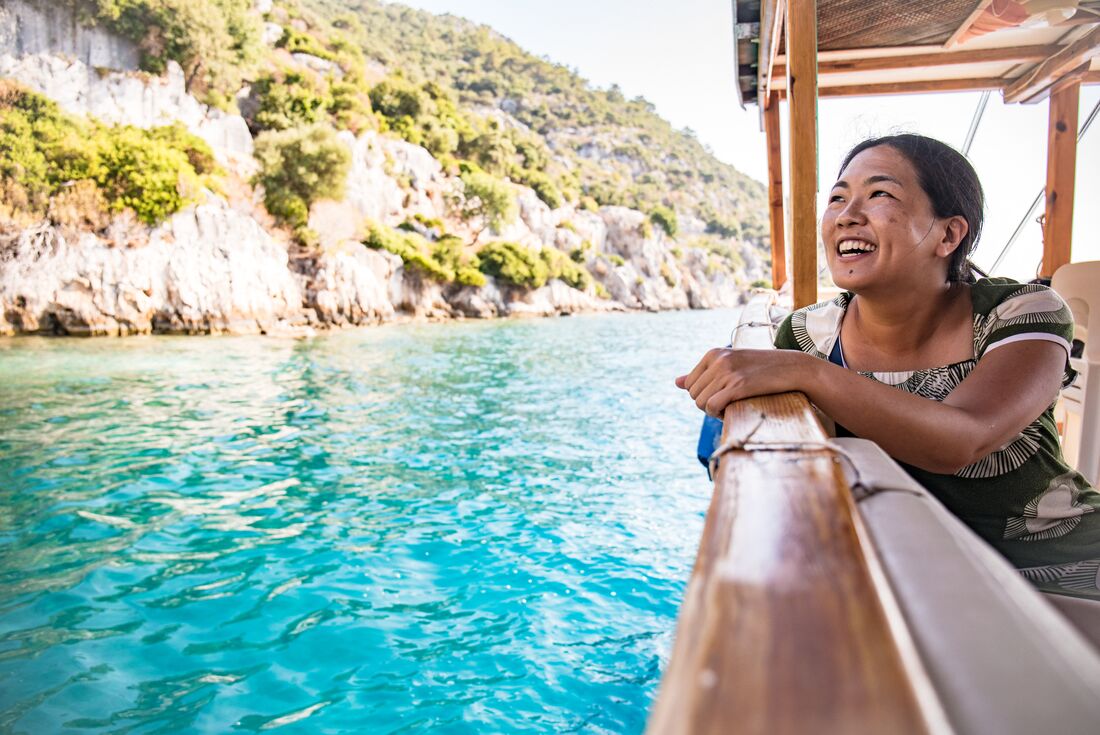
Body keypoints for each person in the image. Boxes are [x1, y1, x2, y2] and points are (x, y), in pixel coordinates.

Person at [676, 134, 1100, 599]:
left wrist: (805, 373)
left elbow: (964, 437)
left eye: (880, 194)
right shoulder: (806, 337)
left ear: (948, 234)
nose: (846, 215)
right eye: (837, 198)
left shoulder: (1020, 311)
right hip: (919, 588)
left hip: (1070, 576)